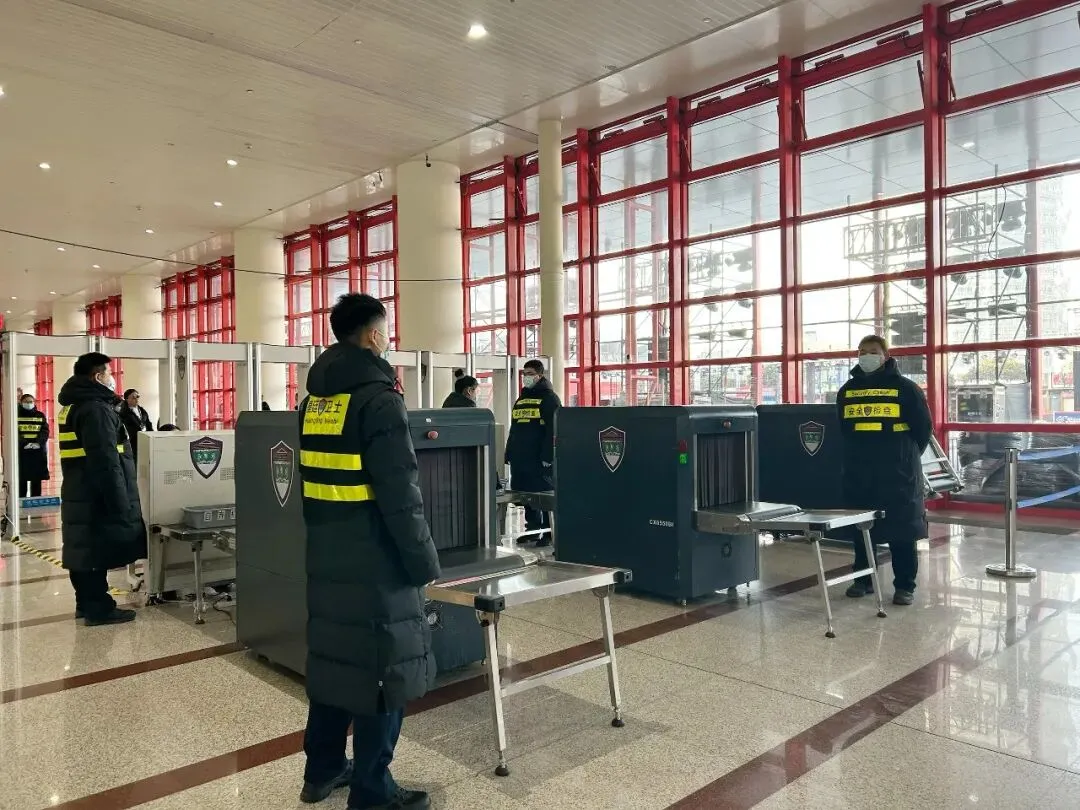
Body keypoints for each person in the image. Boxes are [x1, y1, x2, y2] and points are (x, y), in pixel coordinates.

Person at [298, 293, 440, 810]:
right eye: (387, 330)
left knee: (335, 663)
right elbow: (400, 494)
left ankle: (322, 771)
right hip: (377, 559)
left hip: (326, 552)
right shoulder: (378, 400)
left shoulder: (314, 402)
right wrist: (423, 562)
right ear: (373, 335)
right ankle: (373, 792)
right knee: (384, 672)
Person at [838, 335, 932, 607]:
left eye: (873, 351)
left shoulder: (906, 389)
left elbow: (923, 430)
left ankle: (904, 586)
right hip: (860, 472)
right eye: (862, 352)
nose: (866, 356)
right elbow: (844, 428)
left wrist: (903, 455)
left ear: (885, 356)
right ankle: (863, 580)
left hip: (897, 471)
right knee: (861, 528)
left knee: (902, 529)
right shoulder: (847, 391)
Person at [57, 353, 143, 625]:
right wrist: (119, 500)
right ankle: (99, 609)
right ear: (97, 376)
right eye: (108, 373)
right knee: (94, 549)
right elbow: (105, 460)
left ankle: (85, 603)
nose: (112, 378)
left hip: (79, 487)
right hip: (96, 491)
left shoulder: (74, 405)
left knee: (82, 547)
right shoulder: (96, 410)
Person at [504, 359, 561, 545]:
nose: (526, 377)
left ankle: (549, 533)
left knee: (543, 495)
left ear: (540, 375)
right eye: (524, 374)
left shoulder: (549, 398)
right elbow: (515, 428)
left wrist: (548, 456)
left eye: (530, 374)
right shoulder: (521, 399)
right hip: (521, 457)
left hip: (539, 458)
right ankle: (533, 530)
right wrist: (509, 452)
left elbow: (553, 430)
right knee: (527, 494)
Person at [17, 392, 50, 498]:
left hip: (37, 452)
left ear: (34, 402)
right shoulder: (15, 416)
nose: (29, 404)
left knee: (36, 480)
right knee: (21, 480)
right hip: (22, 452)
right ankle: (20, 502)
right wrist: (24, 443)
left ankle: (35, 502)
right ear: (21, 402)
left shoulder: (40, 416)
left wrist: (38, 443)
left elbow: (45, 431)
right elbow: (15, 433)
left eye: (31, 401)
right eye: (26, 402)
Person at [119, 389, 153, 460]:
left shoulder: (142, 411)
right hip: (131, 444)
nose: (136, 399)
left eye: (137, 397)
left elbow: (148, 424)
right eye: (133, 397)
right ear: (127, 399)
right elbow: (121, 432)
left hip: (144, 441)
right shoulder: (123, 413)